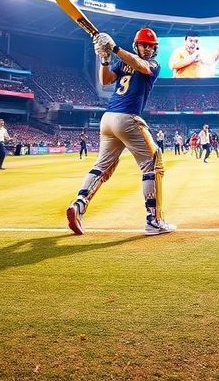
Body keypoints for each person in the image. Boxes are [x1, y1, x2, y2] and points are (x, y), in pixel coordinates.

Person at [66, 28, 175, 236]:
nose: (148, 49)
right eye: (144, 45)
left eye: (151, 46)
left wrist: (113, 50)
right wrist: (105, 58)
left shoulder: (149, 64)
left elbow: (140, 66)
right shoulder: (136, 61)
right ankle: (153, 220)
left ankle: (78, 205)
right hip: (127, 118)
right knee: (153, 164)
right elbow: (106, 80)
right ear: (136, 45)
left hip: (108, 120)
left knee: (102, 167)